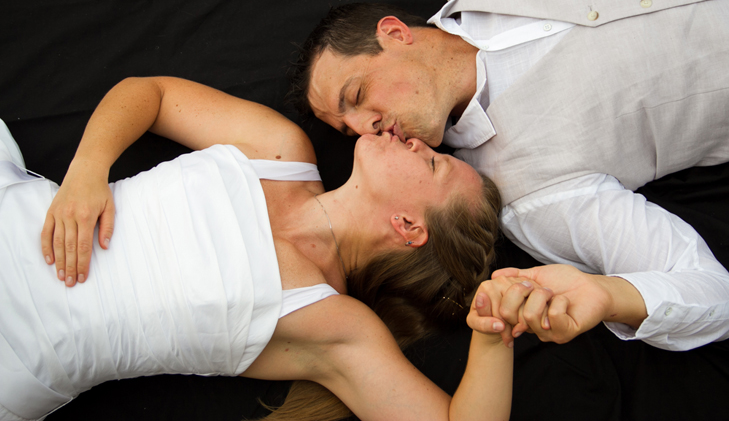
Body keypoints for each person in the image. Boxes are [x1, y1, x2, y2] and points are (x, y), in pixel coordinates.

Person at [291, 0, 729, 351]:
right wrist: (606, 295)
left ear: (395, 34)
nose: (364, 130)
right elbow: (715, 298)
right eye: (346, 129)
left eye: (356, 95)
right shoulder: (533, 197)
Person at [0, 76, 522, 421]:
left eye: (433, 163)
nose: (418, 141)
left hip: (18, 352)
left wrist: (494, 331)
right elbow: (151, 94)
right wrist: (88, 171)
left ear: (408, 225)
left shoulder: (334, 326)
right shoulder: (280, 149)